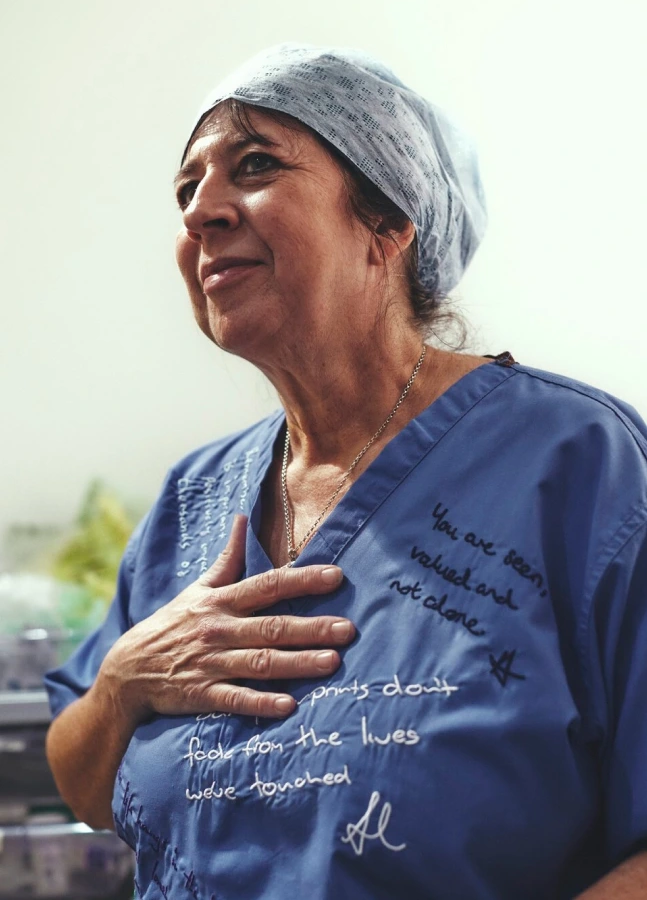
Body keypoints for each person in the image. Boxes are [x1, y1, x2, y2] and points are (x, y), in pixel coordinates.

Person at [44, 44, 647, 899]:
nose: (201, 212)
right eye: (185, 190)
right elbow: (86, 788)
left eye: (255, 165)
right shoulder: (194, 499)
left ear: (388, 224)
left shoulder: (578, 464)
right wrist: (121, 685)